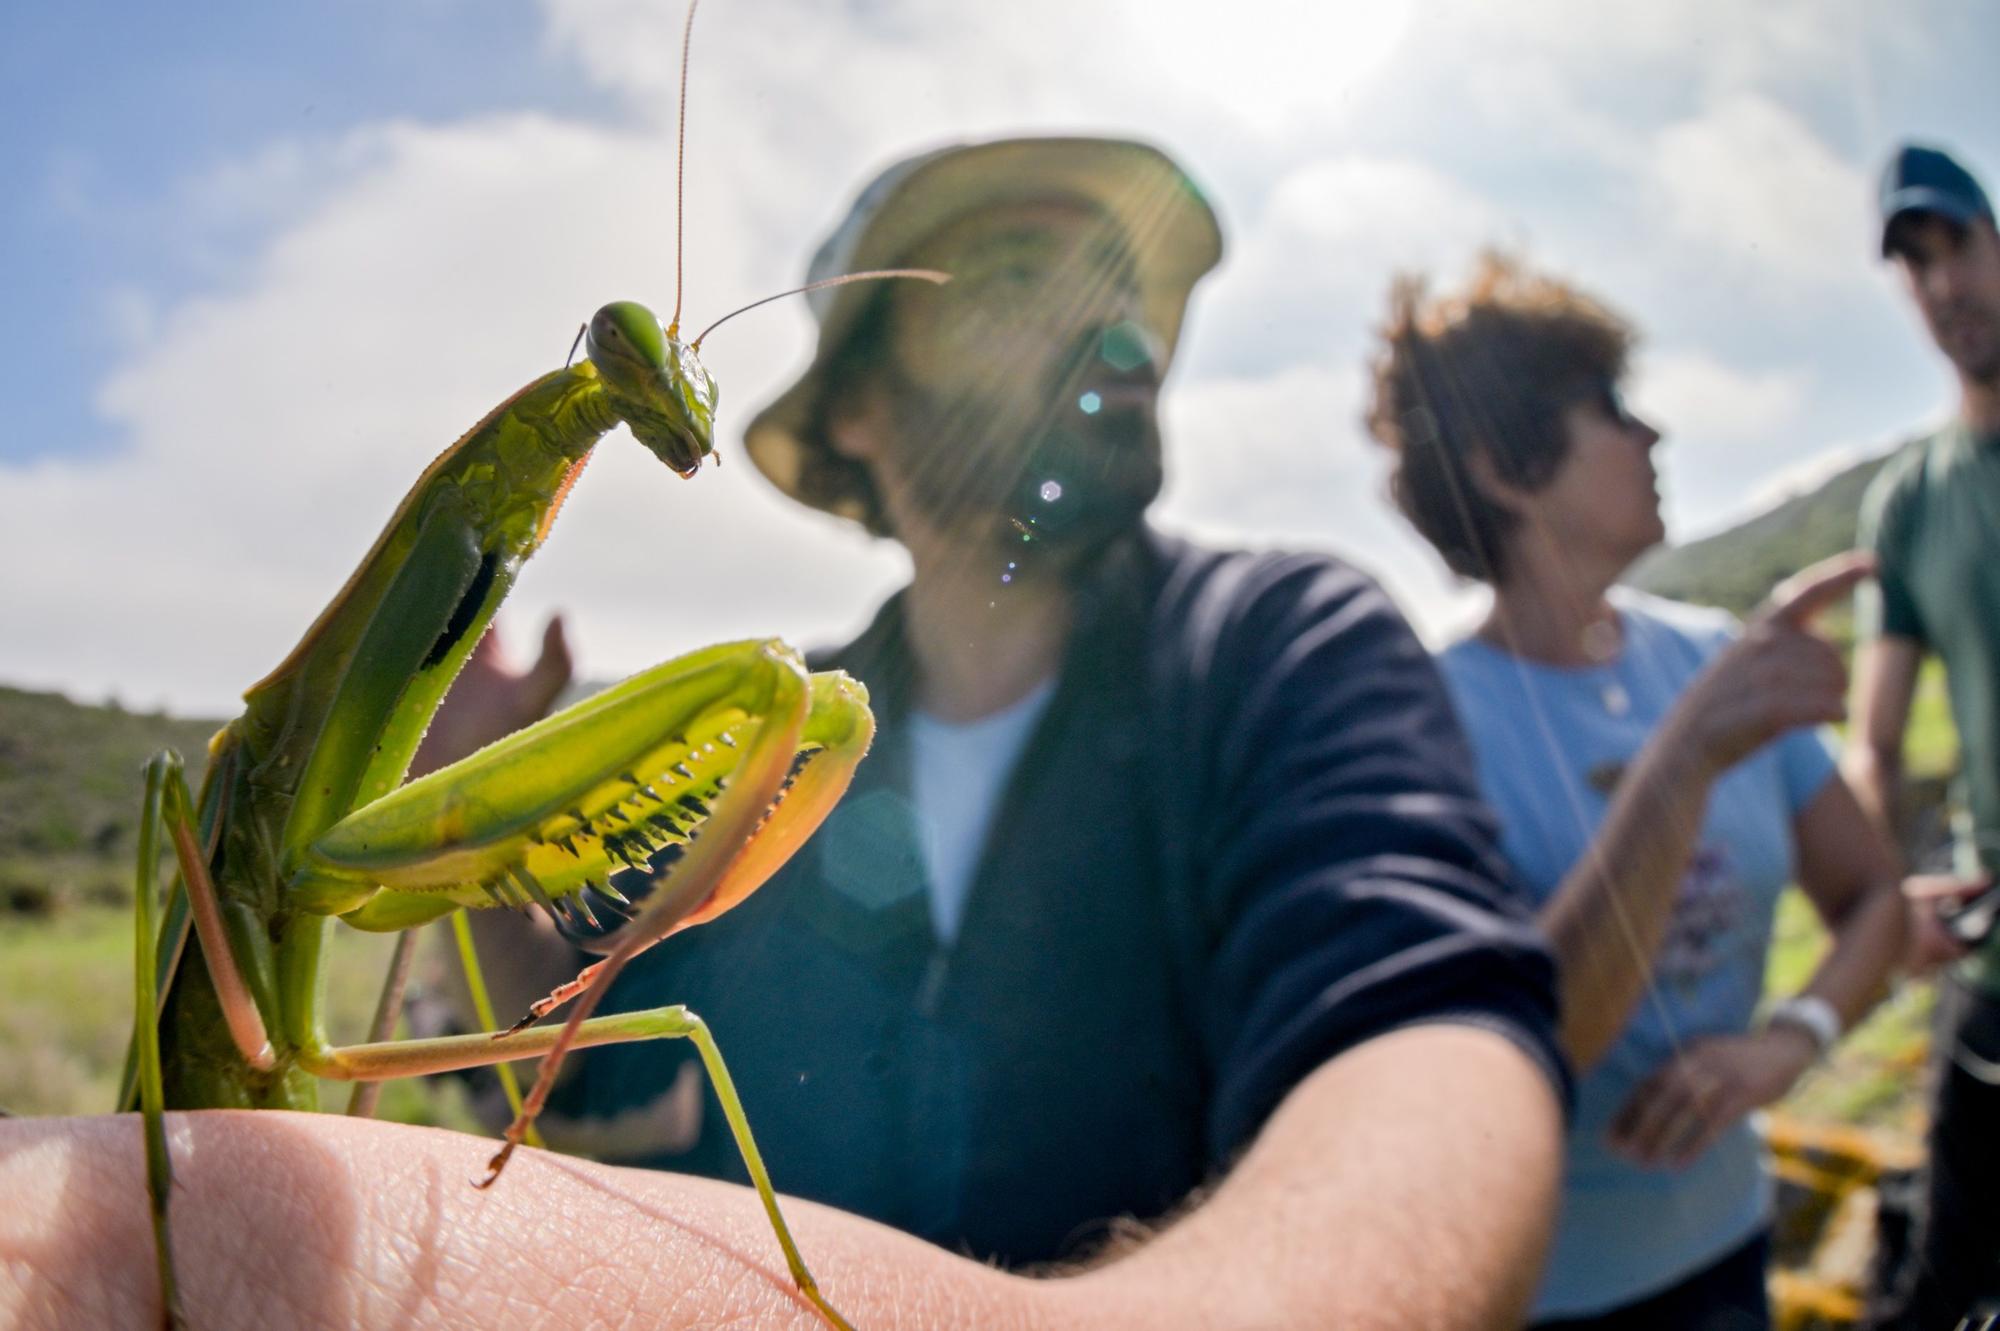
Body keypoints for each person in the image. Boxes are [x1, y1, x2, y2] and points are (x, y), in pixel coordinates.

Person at [0, 137, 1569, 1330]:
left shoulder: (1277, 646)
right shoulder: (736, 751)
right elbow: (591, 1089)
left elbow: (1444, 1047)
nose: (1105, 332)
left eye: (1126, 302)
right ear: (856, 412)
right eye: (1022, 283)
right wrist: (476, 829)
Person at [1367, 255, 1910, 1329]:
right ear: (1503, 469)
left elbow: (1875, 897)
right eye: (1608, 410)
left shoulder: (1710, 657)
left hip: (1729, 1242)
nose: (1650, 436)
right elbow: (1521, 1054)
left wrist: (1789, 1038)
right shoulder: (1418, 733)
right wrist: (1687, 755)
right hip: (1545, 1295)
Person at [1847, 142, 2000, 1331]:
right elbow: (1876, 736)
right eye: (1914, 265)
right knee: (1936, 1285)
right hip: (1990, 968)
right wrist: (1876, 894)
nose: (1941, 284)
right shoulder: (1908, 502)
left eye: (1955, 244)